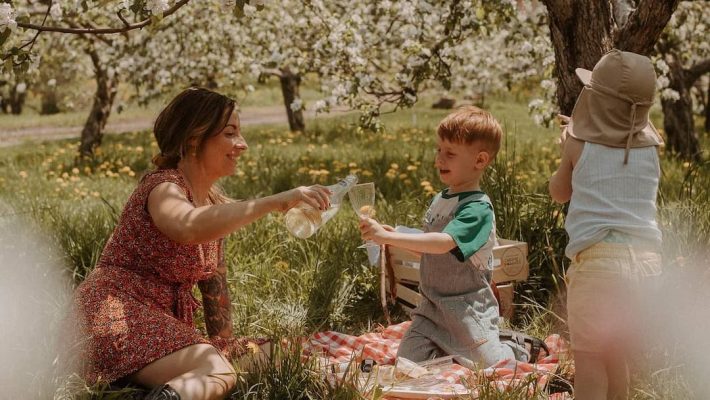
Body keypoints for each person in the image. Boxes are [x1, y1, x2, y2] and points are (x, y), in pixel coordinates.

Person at [72, 87, 331, 400]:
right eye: (230, 133)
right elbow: (186, 227)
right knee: (218, 371)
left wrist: (232, 346)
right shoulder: (163, 187)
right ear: (194, 139)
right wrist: (275, 202)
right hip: (113, 317)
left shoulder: (211, 204)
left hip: (154, 326)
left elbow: (216, 304)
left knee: (274, 355)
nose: (243, 145)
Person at [359, 106, 537, 369]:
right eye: (439, 150)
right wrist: (396, 235)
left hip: (467, 309)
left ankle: (515, 347)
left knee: (491, 367)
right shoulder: (441, 199)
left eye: (450, 153)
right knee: (407, 365)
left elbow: (443, 244)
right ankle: (446, 351)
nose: (439, 159)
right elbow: (430, 248)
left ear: (480, 161)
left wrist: (387, 237)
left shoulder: (478, 209)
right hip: (430, 308)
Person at [548, 49, 664, 399]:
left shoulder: (576, 142)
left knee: (590, 365)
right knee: (617, 358)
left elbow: (559, 193)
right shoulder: (651, 148)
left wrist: (566, 151)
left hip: (599, 268)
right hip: (646, 268)